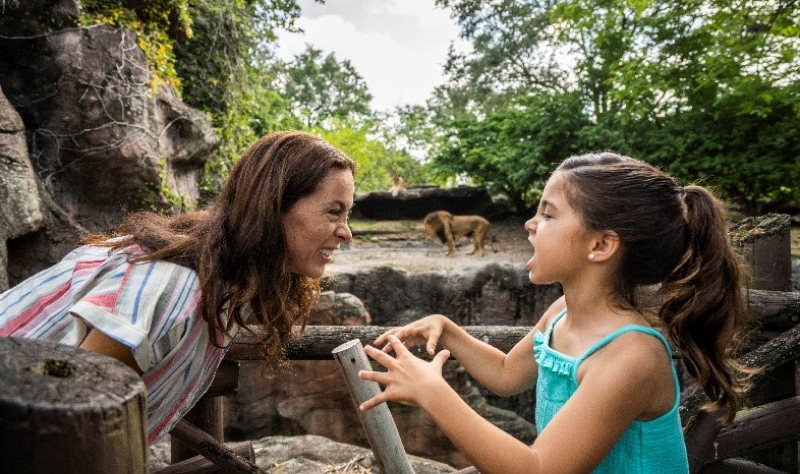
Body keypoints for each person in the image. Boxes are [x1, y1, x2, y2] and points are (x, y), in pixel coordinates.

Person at [359, 152, 753, 474]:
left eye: (548, 215)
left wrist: (434, 394)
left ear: (600, 245)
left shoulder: (631, 355)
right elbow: (507, 375)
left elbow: (540, 469)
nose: (530, 225)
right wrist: (447, 331)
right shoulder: (561, 313)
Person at [0, 130, 355, 444]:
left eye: (348, 214)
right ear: (275, 206)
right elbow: (67, 413)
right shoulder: (174, 291)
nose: (346, 231)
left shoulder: (226, 288)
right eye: (333, 212)